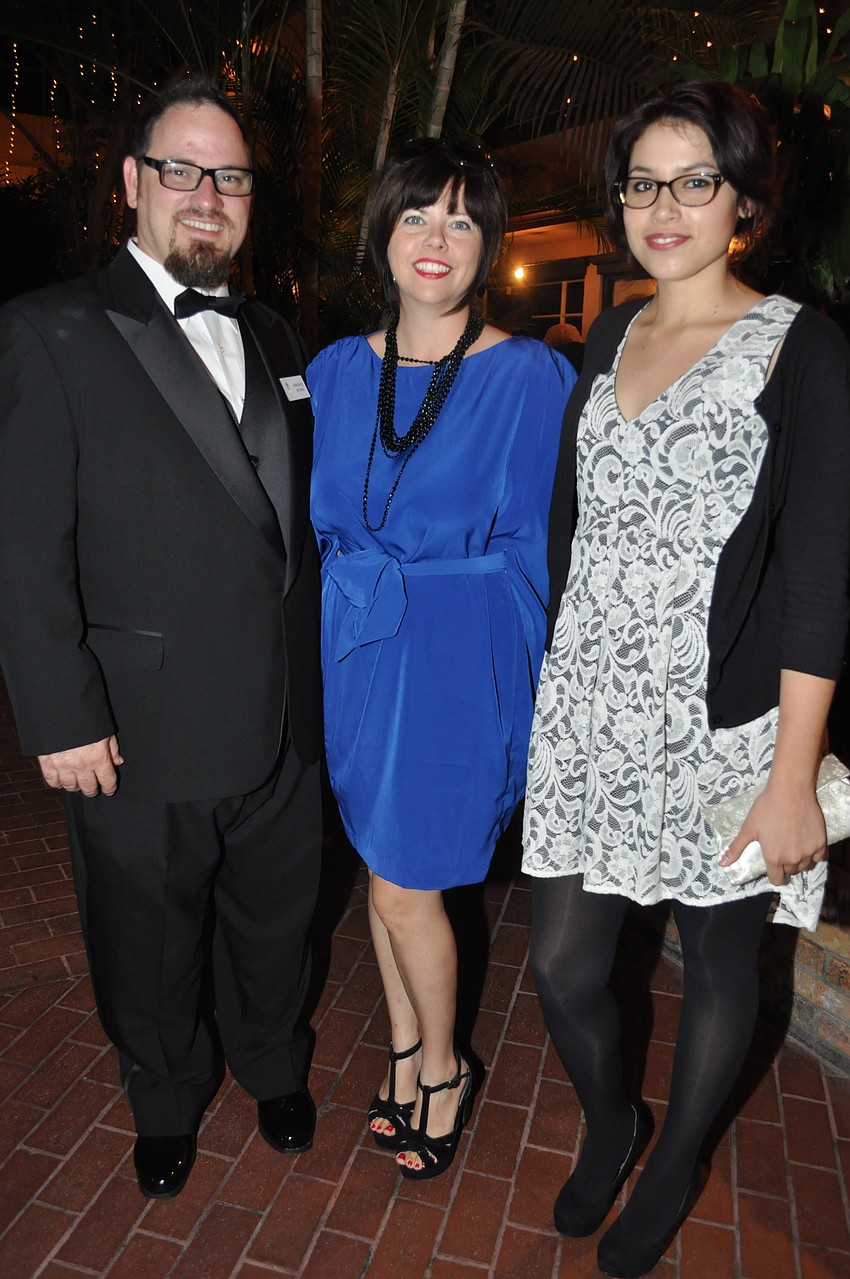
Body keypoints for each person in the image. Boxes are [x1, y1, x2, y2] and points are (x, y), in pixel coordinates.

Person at [523, 80, 850, 1277]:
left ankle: (673, 1163)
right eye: (641, 182)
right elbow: (581, 527)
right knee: (561, 959)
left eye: (692, 180)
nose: (662, 206)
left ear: (744, 201)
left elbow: (817, 581)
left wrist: (792, 777)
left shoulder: (803, 350)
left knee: (718, 963)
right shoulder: (609, 331)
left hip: (724, 726)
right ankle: (616, 1120)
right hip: (592, 708)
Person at [0, 79, 324, 1199]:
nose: (207, 193)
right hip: (137, 722)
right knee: (146, 938)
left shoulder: (276, 331)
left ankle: (274, 1062)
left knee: (275, 918)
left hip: (283, 713)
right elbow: (21, 543)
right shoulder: (48, 329)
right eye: (181, 169)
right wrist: (61, 710)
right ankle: (167, 1095)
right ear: (131, 185)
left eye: (228, 175)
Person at [309, 138, 575, 1180]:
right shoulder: (332, 370)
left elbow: (549, 549)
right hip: (356, 654)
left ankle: (446, 1064)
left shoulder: (530, 377)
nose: (437, 238)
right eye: (418, 214)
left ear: (487, 247)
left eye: (463, 220)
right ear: (381, 231)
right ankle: (406, 1042)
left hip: (457, 661)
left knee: (409, 885)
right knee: (382, 874)